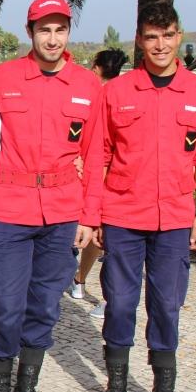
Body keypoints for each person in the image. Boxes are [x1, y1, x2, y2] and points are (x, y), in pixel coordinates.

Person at [84, 1, 196, 392]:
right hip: (124, 213)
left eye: (168, 35)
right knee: (120, 302)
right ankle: (116, 389)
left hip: (176, 218)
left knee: (166, 304)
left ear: (179, 36)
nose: (160, 45)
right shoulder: (117, 92)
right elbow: (100, 155)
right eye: (151, 37)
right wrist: (98, 213)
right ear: (138, 40)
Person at [0, 0, 102, 392]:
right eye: (44, 29)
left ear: (68, 32)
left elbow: (96, 154)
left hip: (63, 212)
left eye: (60, 29)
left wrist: (90, 216)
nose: (52, 38)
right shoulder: (2, 79)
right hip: (10, 208)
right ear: (30, 32)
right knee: (6, 305)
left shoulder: (88, 86)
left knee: (45, 306)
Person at [68, 48, 129, 320]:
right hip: (114, 178)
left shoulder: (99, 94)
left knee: (90, 228)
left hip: (96, 174)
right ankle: (81, 280)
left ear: (95, 67)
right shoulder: (121, 91)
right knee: (100, 236)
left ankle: (79, 280)